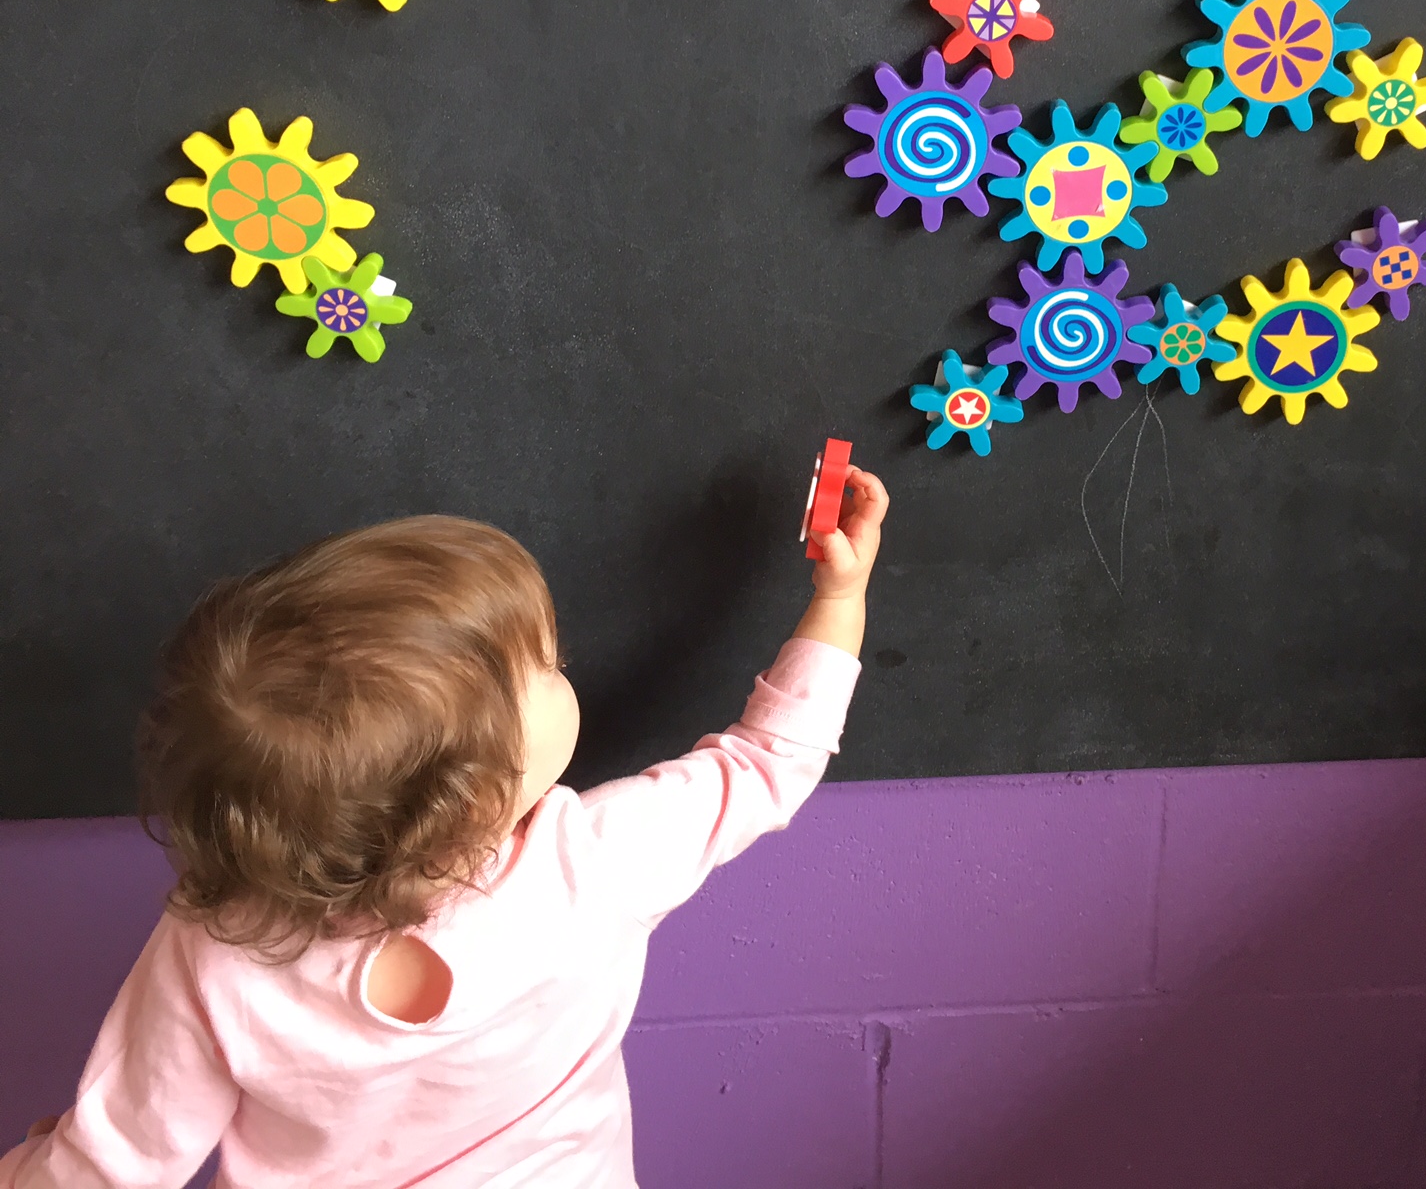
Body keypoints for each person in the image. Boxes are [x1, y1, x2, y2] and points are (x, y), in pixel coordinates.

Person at [2, 466, 889, 1188]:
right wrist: (839, 599)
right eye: (545, 666)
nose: (561, 664)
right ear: (471, 800)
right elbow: (770, 761)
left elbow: (115, 1161)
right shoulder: (588, 865)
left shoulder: (215, 943)